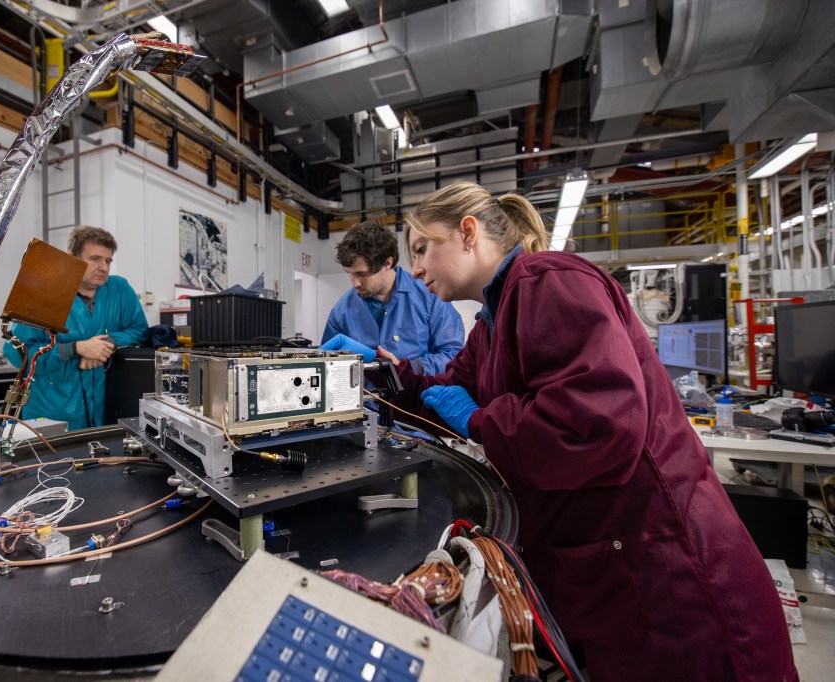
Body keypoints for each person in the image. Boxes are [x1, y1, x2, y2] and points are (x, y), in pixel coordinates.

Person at [327, 182, 798, 681]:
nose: (415, 268)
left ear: (468, 233)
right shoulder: (490, 323)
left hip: (664, 571)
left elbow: (596, 427)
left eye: (422, 249)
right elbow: (440, 390)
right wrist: (381, 374)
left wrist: (481, 421)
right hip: (607, 565)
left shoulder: (546, 282)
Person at [4, 226, 147, 430]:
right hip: (53, 412)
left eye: (108, 261)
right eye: (95, 259)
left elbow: (140, 331)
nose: (104, 267)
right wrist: (75, 349)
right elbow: (17, 351)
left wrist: (105, 344)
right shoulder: (46, 293)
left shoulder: (119, 290)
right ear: (73, 259)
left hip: (103, 410)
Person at [319, 219, 464, 374]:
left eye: (362, 274)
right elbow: (327, 367)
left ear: (387, 263)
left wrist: (407, 368)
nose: (355, 284)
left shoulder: (429, 295)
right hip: (365, 398)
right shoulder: (341, 311)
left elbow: (453, 354)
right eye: (350, 274)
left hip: (416, 396)